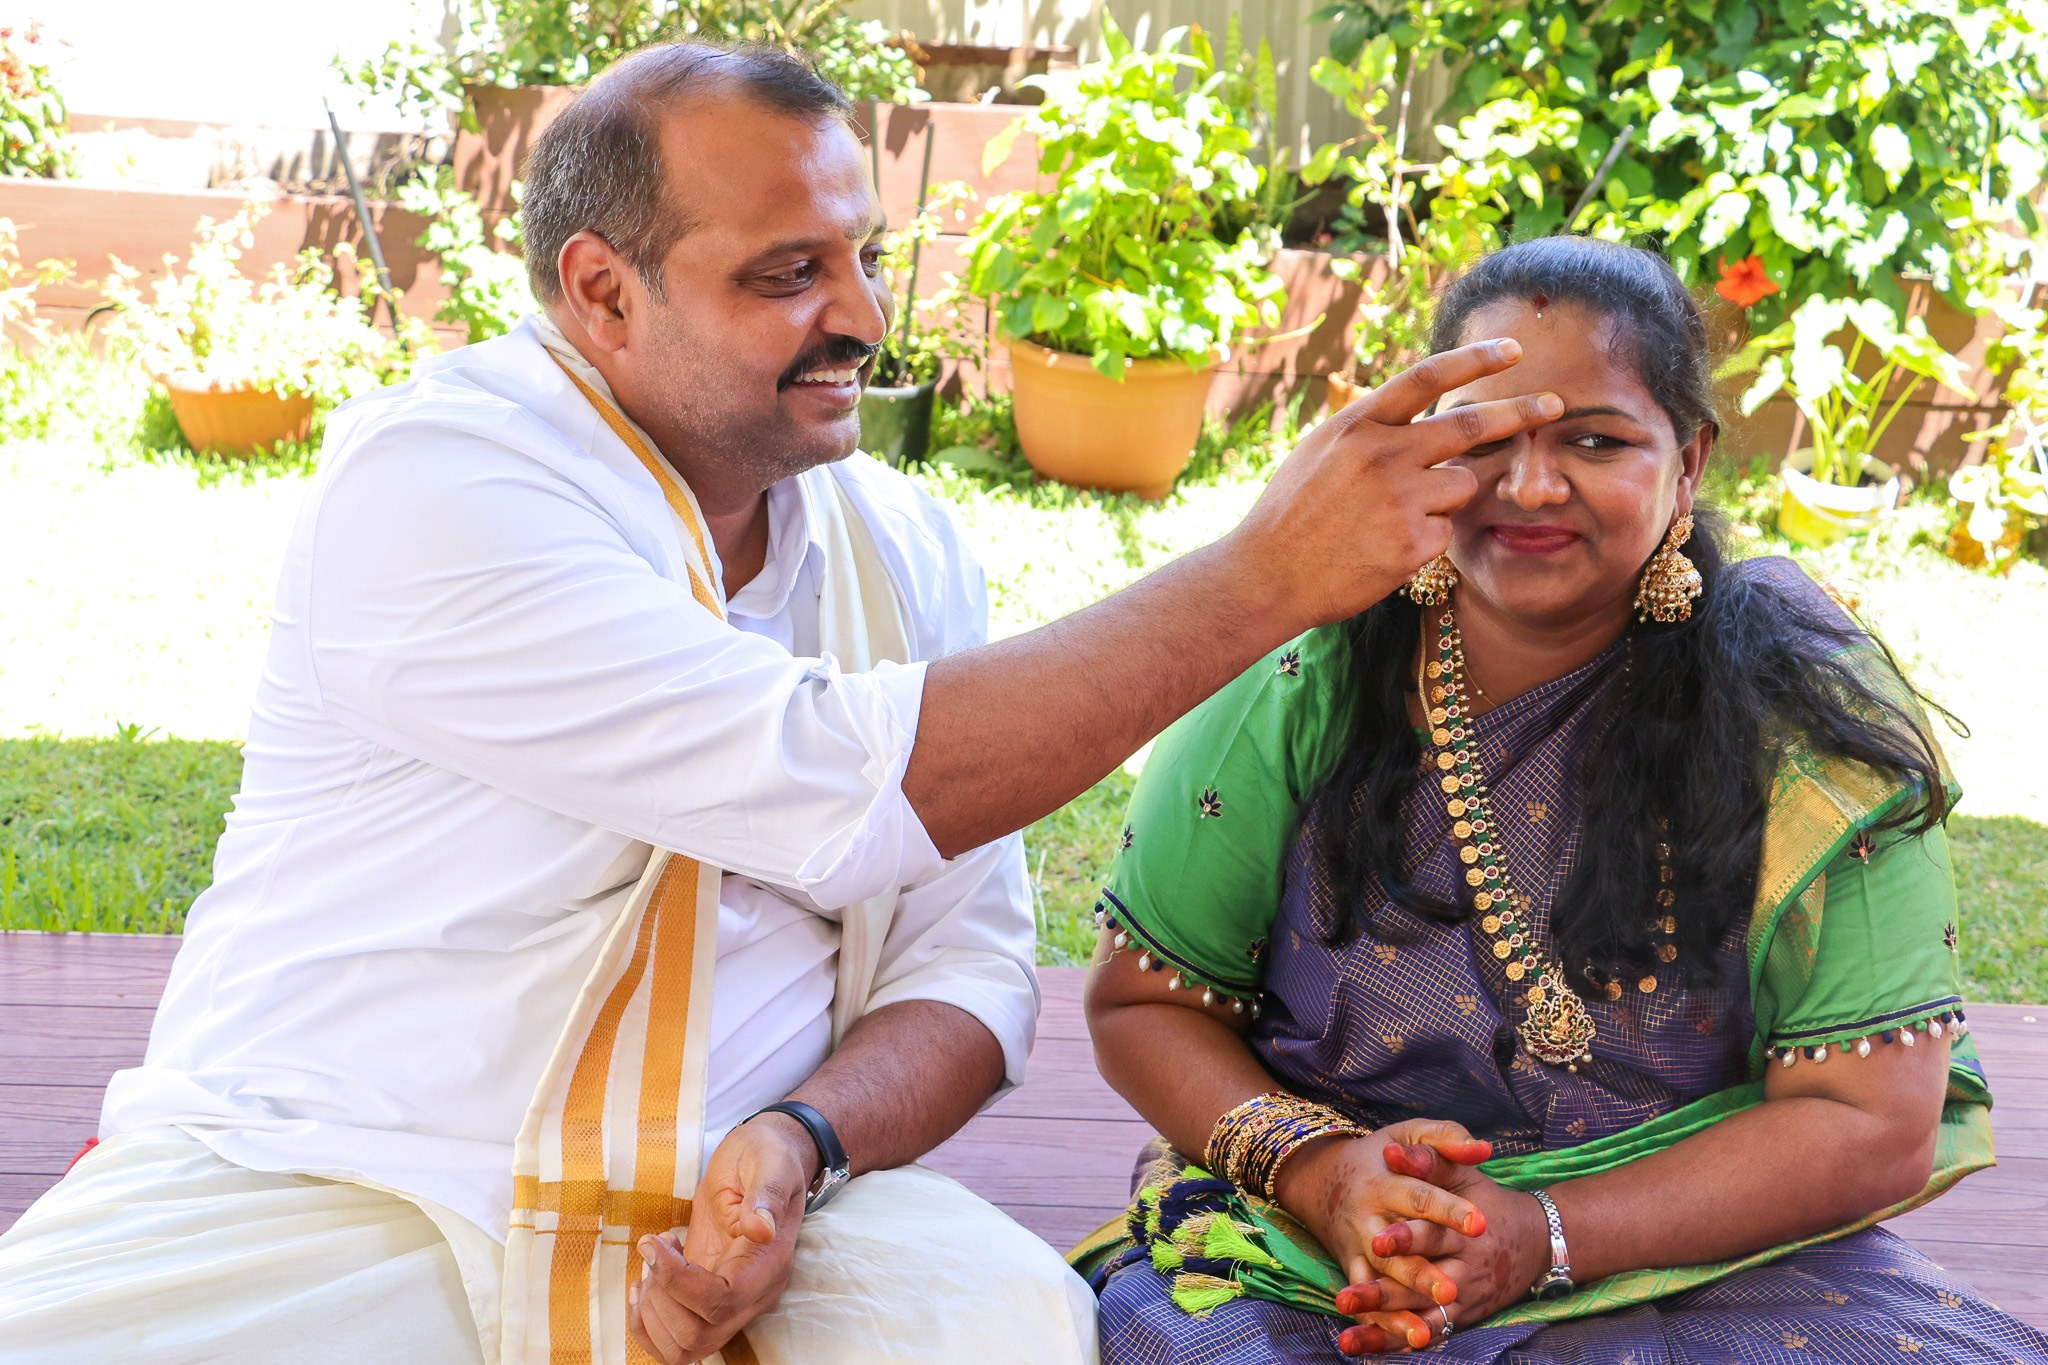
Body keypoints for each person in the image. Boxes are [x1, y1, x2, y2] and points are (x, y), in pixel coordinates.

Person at [0, 41, 1567, 1365]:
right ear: (601, 294)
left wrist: (801, 1144)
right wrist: (1263, 577)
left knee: (1008, 1327)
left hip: (752, 1203)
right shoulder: (440, 485)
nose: (866, 320)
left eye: (865, 258)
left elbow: (969, 968)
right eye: (786, 275)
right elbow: (831, 777)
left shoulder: (899, 543)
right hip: (342, 1180)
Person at [1077, 236, 2048, 1363]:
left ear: (1684, 466)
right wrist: (1327, 1176)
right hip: (1311, 1256)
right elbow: (1147, 1006)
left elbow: (1869, 1124)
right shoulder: (1301, 666)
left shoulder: (1801, 721)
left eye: (1594, 440)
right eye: (1486, 438)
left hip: (1707, 1252)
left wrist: (1540, 1232)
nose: (1531, 486)